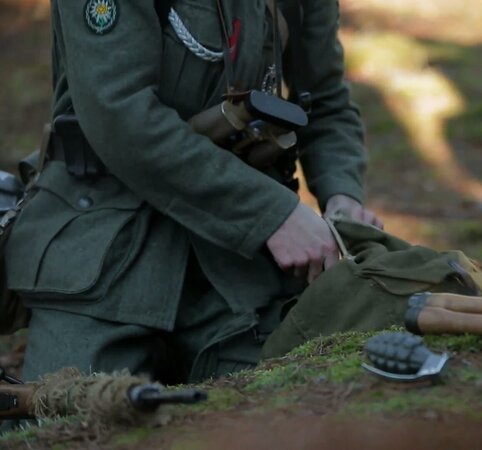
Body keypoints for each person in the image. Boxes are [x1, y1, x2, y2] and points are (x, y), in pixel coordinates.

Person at [4, 0, 382, 384]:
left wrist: (342, 197)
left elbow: (324, 102)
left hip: (237, 268)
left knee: (304, 400)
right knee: (65, 423)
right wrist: (273, 215)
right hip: (103, 249)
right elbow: (120, 113)